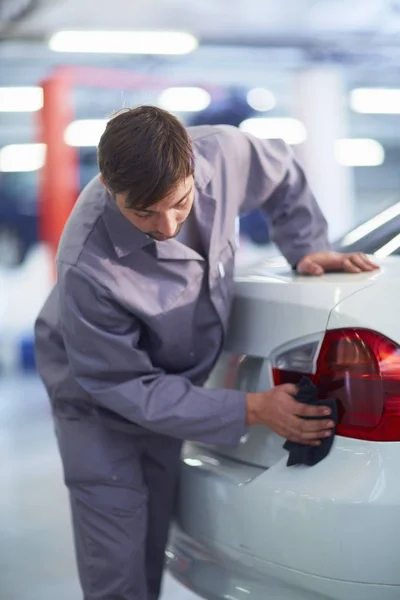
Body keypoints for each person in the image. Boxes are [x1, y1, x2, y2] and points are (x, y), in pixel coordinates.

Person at [34, 105, 378, 600]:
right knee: (120, 556)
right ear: (110, 188)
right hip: (99, 402)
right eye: (143, 213)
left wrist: (304, 246)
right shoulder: (88, 264)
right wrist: (252, 408)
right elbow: (120, 384)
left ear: (193, 165)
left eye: (180, 202)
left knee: (159, 526)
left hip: (174, 381)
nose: (168, 225)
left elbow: (281, 174)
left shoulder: (224, 151)